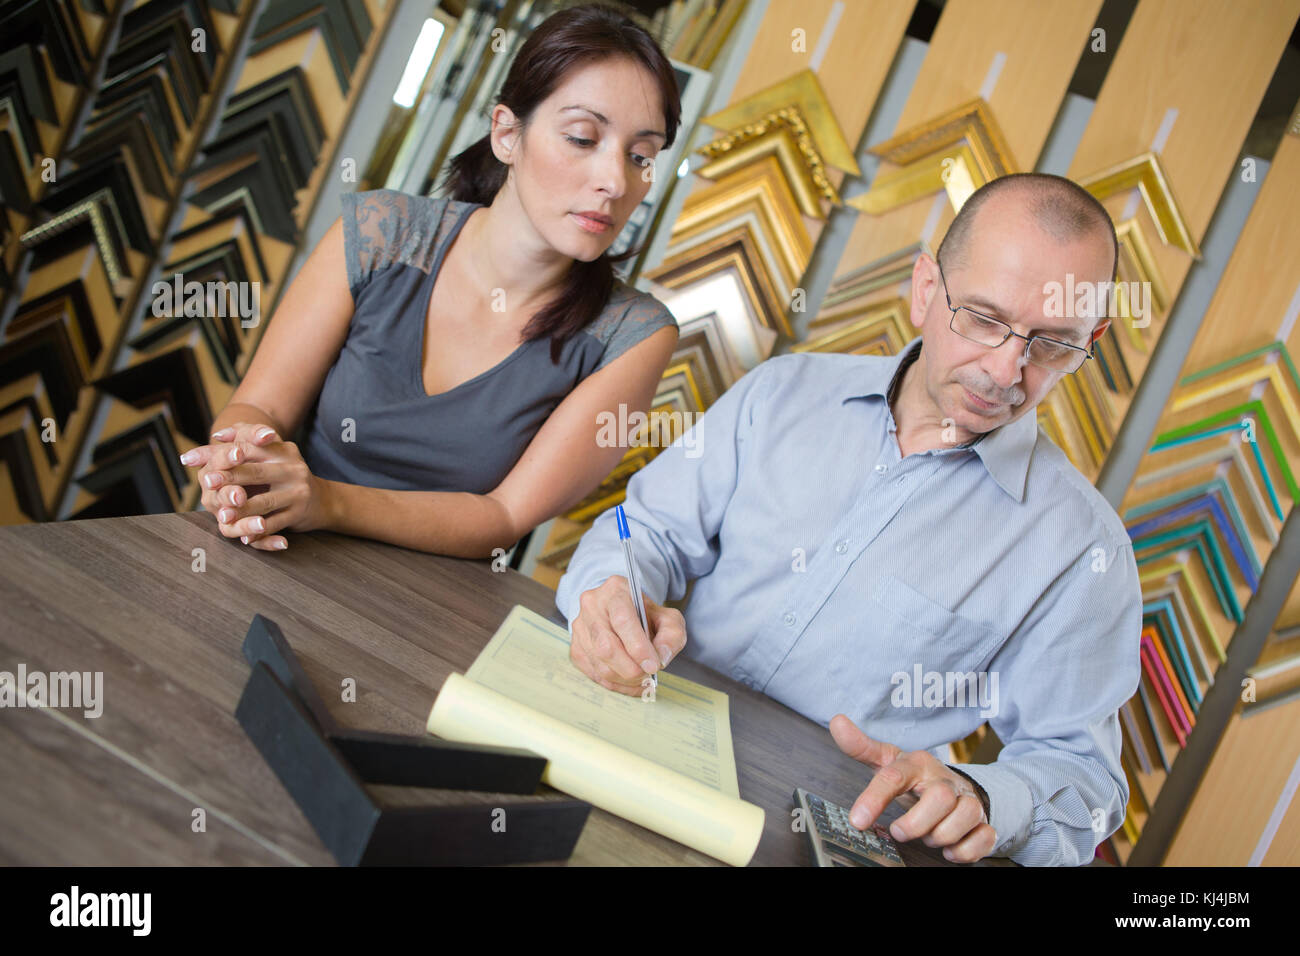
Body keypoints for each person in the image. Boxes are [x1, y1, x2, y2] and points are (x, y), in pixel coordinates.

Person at [555, 172, 1144, 866]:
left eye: (1051, 344)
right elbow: (643, 531)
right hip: (626, 748)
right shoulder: (784, 391)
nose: (1006, 369)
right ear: (926, 288)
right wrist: (610, 600)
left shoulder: (1080, 549)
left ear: (1093, 337)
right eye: (983, 319)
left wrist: (983, 798)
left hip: (816, 839)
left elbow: (1085, 779)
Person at [177, 3, 681, 556]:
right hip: (274, 548)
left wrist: (328, 501)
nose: (615, 180)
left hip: (435, 613)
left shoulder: (631, 333)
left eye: (641, 156)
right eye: (583, 138)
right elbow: (261, 408)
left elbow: (503, 515)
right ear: (507, 134)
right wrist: (242, 454)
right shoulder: (378, 233)